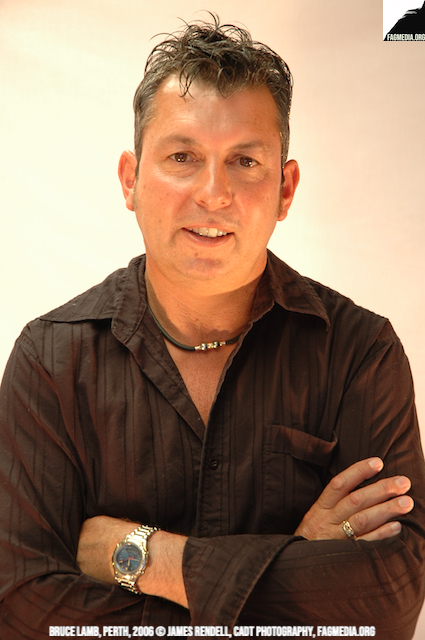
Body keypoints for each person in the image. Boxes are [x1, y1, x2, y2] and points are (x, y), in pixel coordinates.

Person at [1, 14, 424, 639]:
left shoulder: (360, 352)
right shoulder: (51, 359)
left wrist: (145, 559)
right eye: (182, 157)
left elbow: (389, 604)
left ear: (285, 189)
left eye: (245, 161)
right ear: (130, 180)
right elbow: (23, 608)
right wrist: (296, 559)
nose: (213, 192)